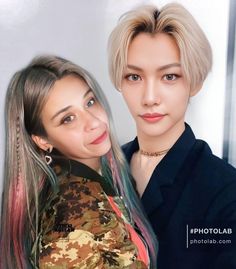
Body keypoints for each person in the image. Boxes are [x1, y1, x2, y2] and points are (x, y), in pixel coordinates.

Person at [108, 3, 236, 269]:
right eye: (134, 76)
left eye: (169, 76)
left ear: (195, 81)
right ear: (119, 81)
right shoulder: (101, 171)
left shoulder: (226, 191)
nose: (150, 98)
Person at [0, 55, 158, 269]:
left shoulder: (96, 181)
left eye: (89, 102)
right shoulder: (73, 212)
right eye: (68, 118)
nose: (93, 122)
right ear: (42, 140)